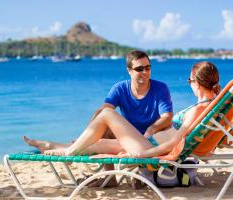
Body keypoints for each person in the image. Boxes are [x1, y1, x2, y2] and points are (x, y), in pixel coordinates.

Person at [26, 50, 174, 187]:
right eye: (139, 69)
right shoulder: (120, 88)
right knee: (103, 120)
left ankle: (68, 150)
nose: (145, 72)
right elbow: (102, 111)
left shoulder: (160, 88)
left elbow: (167, 118)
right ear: (129, 71)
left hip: (148, 142)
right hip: (129, 140)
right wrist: (88, 134)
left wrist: (152, 128)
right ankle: (107, 176)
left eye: (148, 67)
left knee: (106, 115)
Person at [24, 61, 220, 160]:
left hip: (147, 148)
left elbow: (173, 145)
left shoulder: (199, 110)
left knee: (107, 114)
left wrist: (140, 156)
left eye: (190, 80)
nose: (189, 84)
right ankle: (49, 147)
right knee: (96, 144)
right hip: (147, 143)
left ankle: (67, 152)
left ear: (199, 83)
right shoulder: (207, 106)